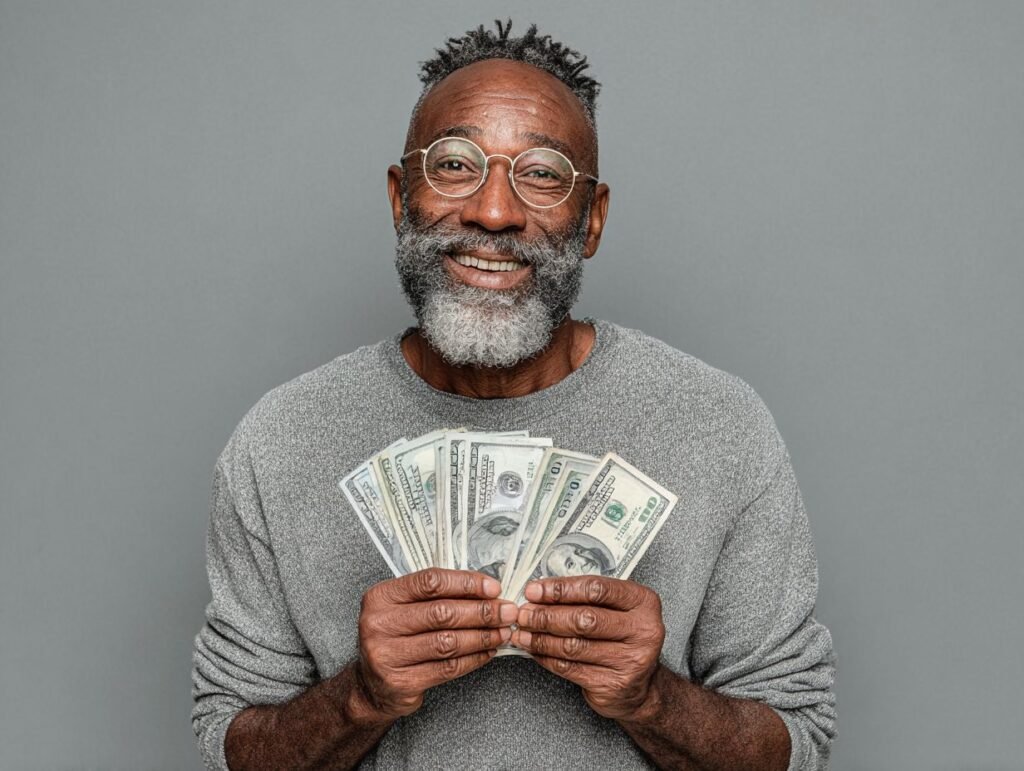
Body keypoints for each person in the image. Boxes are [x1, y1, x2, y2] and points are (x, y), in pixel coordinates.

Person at [191, 21, 836, 770]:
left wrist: (650, 697)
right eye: (456, 164)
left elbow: (800, 745)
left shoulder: (722, 425)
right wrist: (360, 696)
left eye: (541, 173)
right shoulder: (281, 440)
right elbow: (229, 747)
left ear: (590, 220)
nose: (493, 211)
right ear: (401, 197)